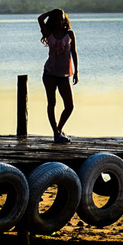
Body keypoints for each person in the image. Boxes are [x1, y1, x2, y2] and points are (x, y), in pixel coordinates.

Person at [38, 8, 79, 144]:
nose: (60, 22)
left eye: (61, 20)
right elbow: (40, 19)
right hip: (49, 73)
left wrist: (76, 72)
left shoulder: (70, 34)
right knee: (52, 103)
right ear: (52, 21)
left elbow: (74, 53)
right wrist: (51, 12)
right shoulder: (48, 33)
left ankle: (59, 130)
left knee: (69, 105)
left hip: (64, 74)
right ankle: (56, 133)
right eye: (56, 20)